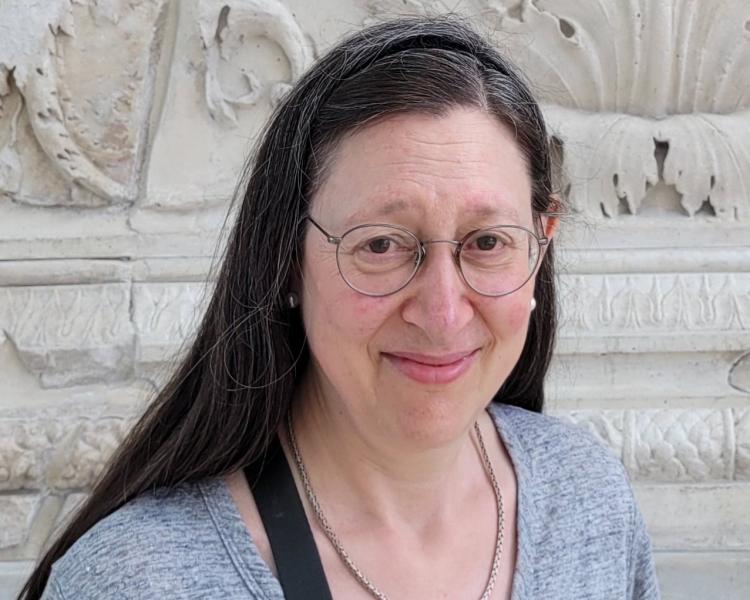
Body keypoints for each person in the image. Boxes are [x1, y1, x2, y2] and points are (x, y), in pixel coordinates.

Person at [21, 15, 659, 600]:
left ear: (538, 253)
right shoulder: (136, 580)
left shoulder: (589, 501)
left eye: (487, 243)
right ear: (288, 260)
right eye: (380, 244)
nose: (441, 313)